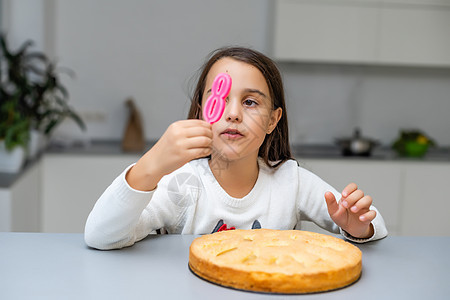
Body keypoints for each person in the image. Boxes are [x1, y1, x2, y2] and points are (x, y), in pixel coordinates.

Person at [85, 47, 388, 250]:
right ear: (203, 110)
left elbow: (376, 224)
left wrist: (358, 226)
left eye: (250, 102)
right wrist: (150, 165)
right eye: (221, 99)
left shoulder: (291, 182)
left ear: (273, 120)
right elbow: (101, 236)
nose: (233, 114)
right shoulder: (184, 185)